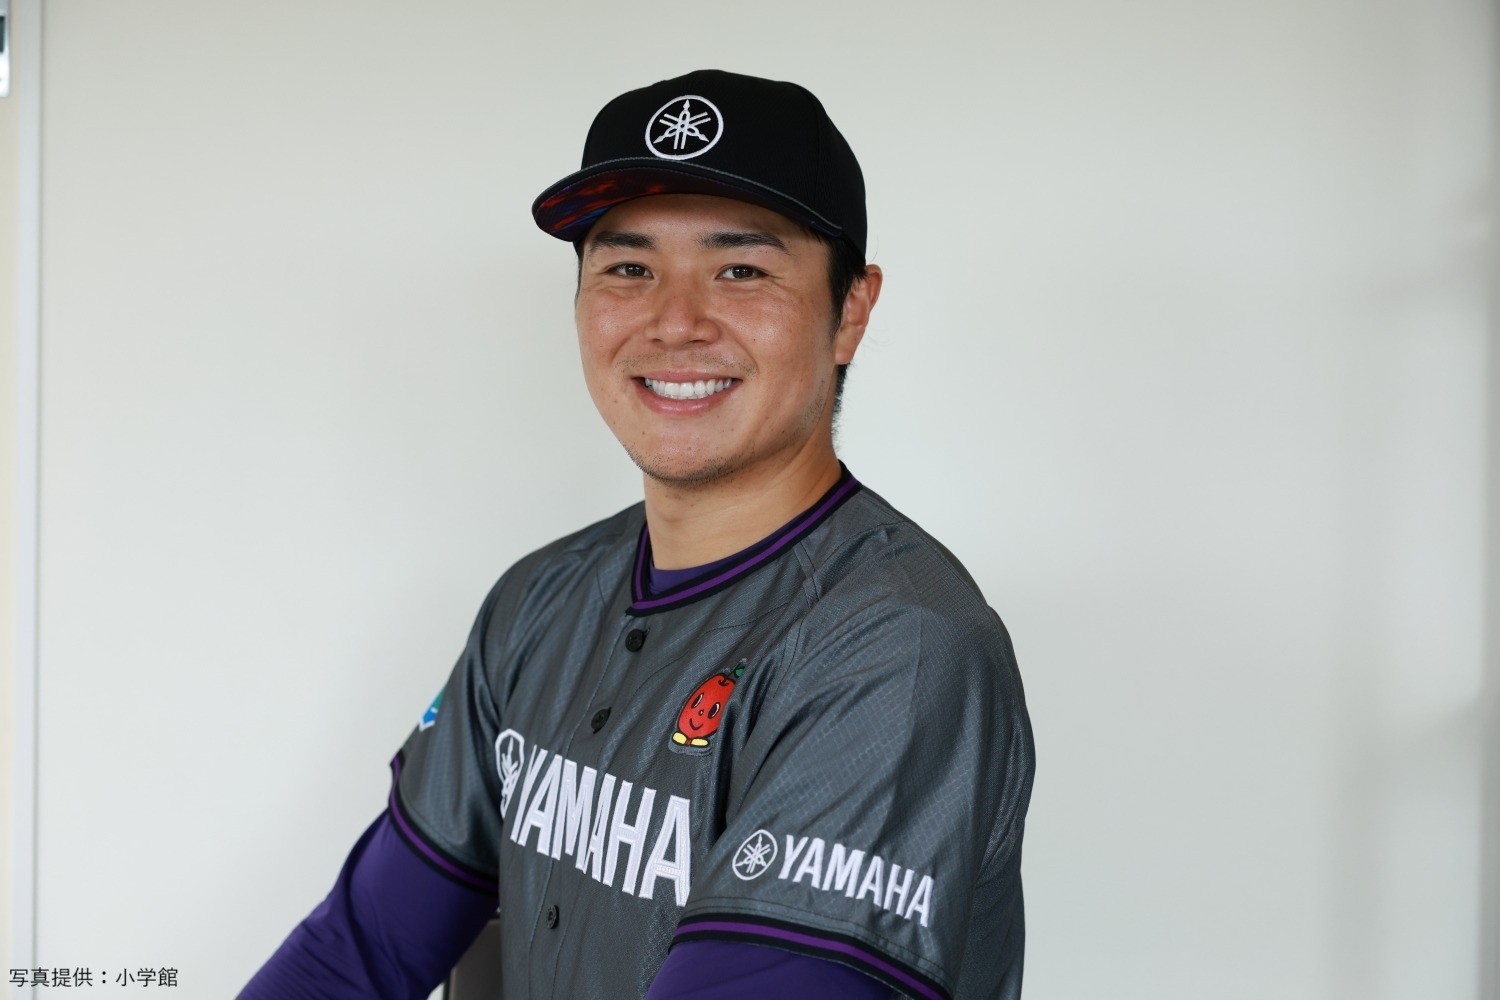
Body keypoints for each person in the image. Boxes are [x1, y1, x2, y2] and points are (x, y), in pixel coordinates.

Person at [241, 68, 1035, 1000]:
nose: (675, 322)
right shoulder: (539, 601)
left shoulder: (897, 649)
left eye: (741, 270)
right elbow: (359, 951)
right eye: (629, 268)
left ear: (849, 310)